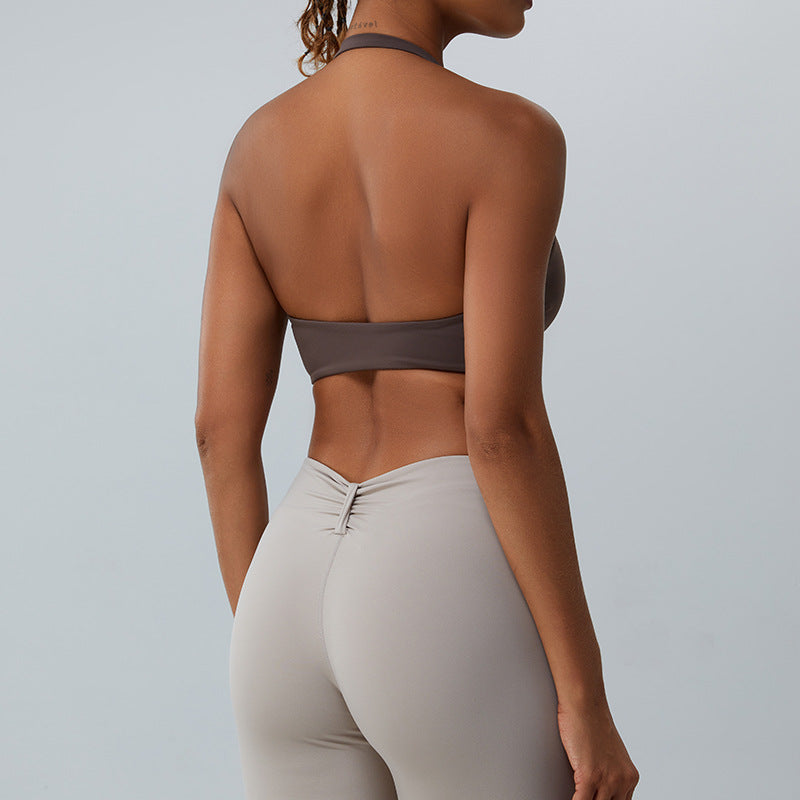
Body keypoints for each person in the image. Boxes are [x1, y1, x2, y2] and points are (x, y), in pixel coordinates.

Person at [195, 0, 640, 798]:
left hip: (284, 585)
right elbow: (501, 429)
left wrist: (269, 636)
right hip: (437, 562)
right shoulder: (509, 134)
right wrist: (586, 699)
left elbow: (218, 434)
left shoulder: (256, 144)